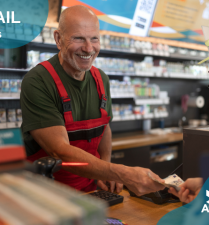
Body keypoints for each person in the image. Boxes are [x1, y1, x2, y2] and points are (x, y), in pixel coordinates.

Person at [21, 5, 164, 195]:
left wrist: (104, 170)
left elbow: (104, 128)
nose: (88, 48)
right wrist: (121, 173)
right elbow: (60, 151)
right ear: (58, 39)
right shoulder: (38, 80)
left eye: (94, 39)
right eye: (78, 38)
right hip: (47, 193)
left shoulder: (101, 79)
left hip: (90, 190)